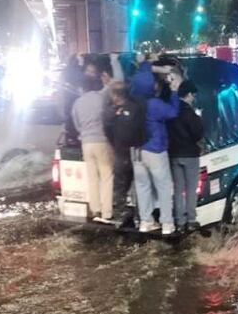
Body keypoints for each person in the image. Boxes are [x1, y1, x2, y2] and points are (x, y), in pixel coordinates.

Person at [132, 62, 181, 235]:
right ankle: (167, 224)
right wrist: (174, 90)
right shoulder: (154, 104)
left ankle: (145, 222)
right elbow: (173, 112)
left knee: (142, 187)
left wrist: (153, 66)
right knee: (164, 187)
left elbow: (142, 72)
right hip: (155, 150)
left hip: (136, 151)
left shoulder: (132, 102)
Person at [71, 72, 116, 224]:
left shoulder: (77, 103)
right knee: (107, 176)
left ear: (82, 88)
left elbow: (76, 124)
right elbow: (109, 117)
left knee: (92, 178)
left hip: (86, 143)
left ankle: (95, 209)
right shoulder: (101, 98)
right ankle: (107, 212)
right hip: (102, 141)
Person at [168, 80, 204, 231]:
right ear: (188, 94)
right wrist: (199, 117)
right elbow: (198, 133)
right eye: (193, 95)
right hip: (190, 155)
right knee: (190, 189)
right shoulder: (190, 113)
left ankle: (179, 222)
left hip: (174, 154)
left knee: (178, 189)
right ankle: (190, 221)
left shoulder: (171, 110)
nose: (193, 98)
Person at [107, 82, 145, 226]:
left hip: (123, 151)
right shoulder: (135, 108)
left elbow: (107, 129)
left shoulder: (114, 111)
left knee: (121, 185)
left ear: (116, 96)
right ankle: (138, 216)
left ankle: (121, 215)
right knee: (136, 184)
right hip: (133, 151)